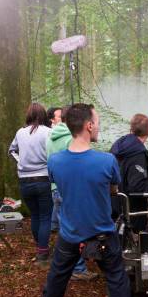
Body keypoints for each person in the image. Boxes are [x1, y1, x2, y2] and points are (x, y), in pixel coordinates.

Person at [41, 103, 143, 297]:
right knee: (116, 276)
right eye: (97, 123)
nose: (98, 127)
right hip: (101, 233)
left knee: (59, 273)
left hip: (70, 232)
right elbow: (113, 190)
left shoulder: (55, 162)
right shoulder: (106, 161)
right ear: (88, 126)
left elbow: (59, 184)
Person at [46, 105, 97, 280]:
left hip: (56, 188)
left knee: (65, 229)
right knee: (75, 230)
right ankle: (78, 269)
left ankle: (69, 265)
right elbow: (76, 165)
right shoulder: (71, 139)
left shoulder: (51, 136)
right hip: (69, 189)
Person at [110, 114, 148, 232]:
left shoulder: (120, 145)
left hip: (115, 206)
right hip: (132, 211)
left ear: (131, 128)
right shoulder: (137, 154)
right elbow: (137, 186)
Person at [9, 103, 53, 264]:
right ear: (43, 115)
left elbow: (11, 150)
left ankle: (40, 248)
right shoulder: (49, 132)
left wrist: (21, 162)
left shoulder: (20, 132)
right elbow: (55, 153)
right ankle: (43, 253)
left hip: (24, 179)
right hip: (43, 178)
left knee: (35, 215)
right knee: (45, 216)